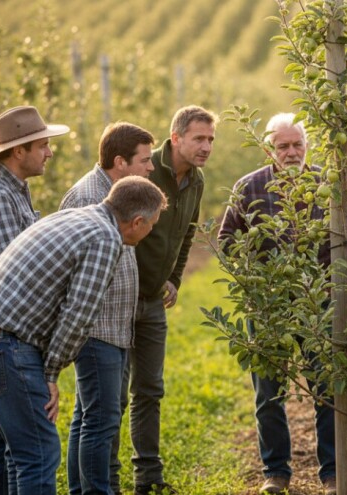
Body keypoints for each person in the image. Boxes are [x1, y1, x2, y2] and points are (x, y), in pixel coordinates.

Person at [0, 176, 168, 495]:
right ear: (137, 221)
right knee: (39, 453)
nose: (151, 231)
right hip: (5, 342)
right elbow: (78, 314)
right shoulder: (105, 239)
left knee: (22, 454)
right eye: (151, 224)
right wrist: (51, 373)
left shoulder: (77, 216)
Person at [218, 113, 336, 495]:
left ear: (307, 146)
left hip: (319, 303)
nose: (290, 153)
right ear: (270, 148)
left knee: (328, 389)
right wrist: (255, 276)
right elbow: (226, 243)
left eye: (296, 145)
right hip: (268, 307)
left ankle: (333, 472)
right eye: (282, 146)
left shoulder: (326, 184)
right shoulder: (249, 187)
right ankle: (276, 471)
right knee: (268, 393)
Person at [0, 105, 69, 494]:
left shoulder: (14, 190)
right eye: (42, 146)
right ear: (18, 151)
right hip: (4, 334)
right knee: (37, 450)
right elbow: (21, 273)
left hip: (2, 333)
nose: (49, 153)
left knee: (3, 436)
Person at [123, 105, 216, 495]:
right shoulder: (144, 169)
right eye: (199, 138)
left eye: (211, 139)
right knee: (112, 394)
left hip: (153, 302)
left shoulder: (196, 181)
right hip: (121, 297)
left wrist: (175, 278)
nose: (207, 146)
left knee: (150, 389)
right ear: (175, 138)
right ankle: (104, 479)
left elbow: (186, 234)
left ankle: (148, 478)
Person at [60, 122, 155, 495]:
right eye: (145, 161)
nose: (150, 167)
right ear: (120, 161)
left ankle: (82, 489)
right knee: (98, 419)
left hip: (115, 327)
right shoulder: (87, 197)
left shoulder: (116, 193)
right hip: (96, 328)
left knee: (90, 415)